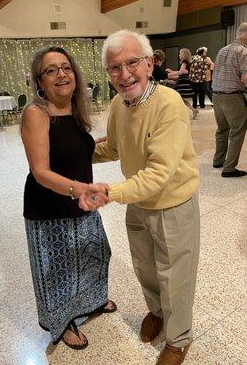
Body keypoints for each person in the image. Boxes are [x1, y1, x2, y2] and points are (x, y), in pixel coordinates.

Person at [79, 30, 200, 365]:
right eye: (115, 68)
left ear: (149, 64)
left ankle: (178, 339)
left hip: (173, 205)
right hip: (138, 202)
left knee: (175, 276)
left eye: (132, 62)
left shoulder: (169, 104)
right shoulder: (119, 104)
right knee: (146, 268)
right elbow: (115, 148)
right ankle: (158, 313)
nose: (124, 73)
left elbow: (160, 174)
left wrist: (109, 192)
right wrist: (78, 153)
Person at [21, 46, 116, 351]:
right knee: (58, 272)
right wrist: (82, 190)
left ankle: (92, 301)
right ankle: (62, 324)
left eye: (66, 67)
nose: (61, 74)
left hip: (81, 204)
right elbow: (40, 172)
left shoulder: (75, 111)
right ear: (40, 81)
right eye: (51, 70)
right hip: (50, 207)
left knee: (95, 254)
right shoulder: (36, 113)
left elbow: (79, 151)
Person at [211, 22, 247, 178]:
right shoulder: (243, 52)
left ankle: (218, 160)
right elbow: (246, 78)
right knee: (237, 131)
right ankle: (229, 168)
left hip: (217, 95)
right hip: (232, 96)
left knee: (222, 129)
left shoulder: (222, 50)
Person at [166, 48, 198, 119]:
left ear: (183, 55)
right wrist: (171, 75)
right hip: (184, 82)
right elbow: (180, 75)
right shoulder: (186, 63)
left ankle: (179, 113)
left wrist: (171, 72)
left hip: (183, 84)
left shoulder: (184, 62)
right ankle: (193, 109)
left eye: (180, 54)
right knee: (180, 99)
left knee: (178, 98)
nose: (179, 55)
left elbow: (180, 72)